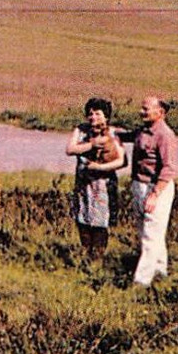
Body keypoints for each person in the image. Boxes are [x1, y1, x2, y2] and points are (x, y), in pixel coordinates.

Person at [66, 97, 127, 261]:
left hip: (103, 184)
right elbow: (70, 149)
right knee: (82, 217)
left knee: (100, 222)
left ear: (106, 116)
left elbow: (121, 161)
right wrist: (91, 145)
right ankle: (86, 255)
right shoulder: (81, 130)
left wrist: (99, 167)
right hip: (83, 184)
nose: (93, 117)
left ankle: (97, 259)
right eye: (91, 113)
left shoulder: (113, 133)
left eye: (98, 114)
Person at [126, 97, 177, 289]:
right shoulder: (143, 130)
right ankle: (159, 271)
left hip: (157, 188)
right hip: (140, 185)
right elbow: (131, 136)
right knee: (149, 232)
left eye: (146, 109)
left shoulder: (165, 135)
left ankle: (141, 281)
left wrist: (155, 195)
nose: (141, 112)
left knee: (151, 234)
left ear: (160, 113)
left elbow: (168, 168)